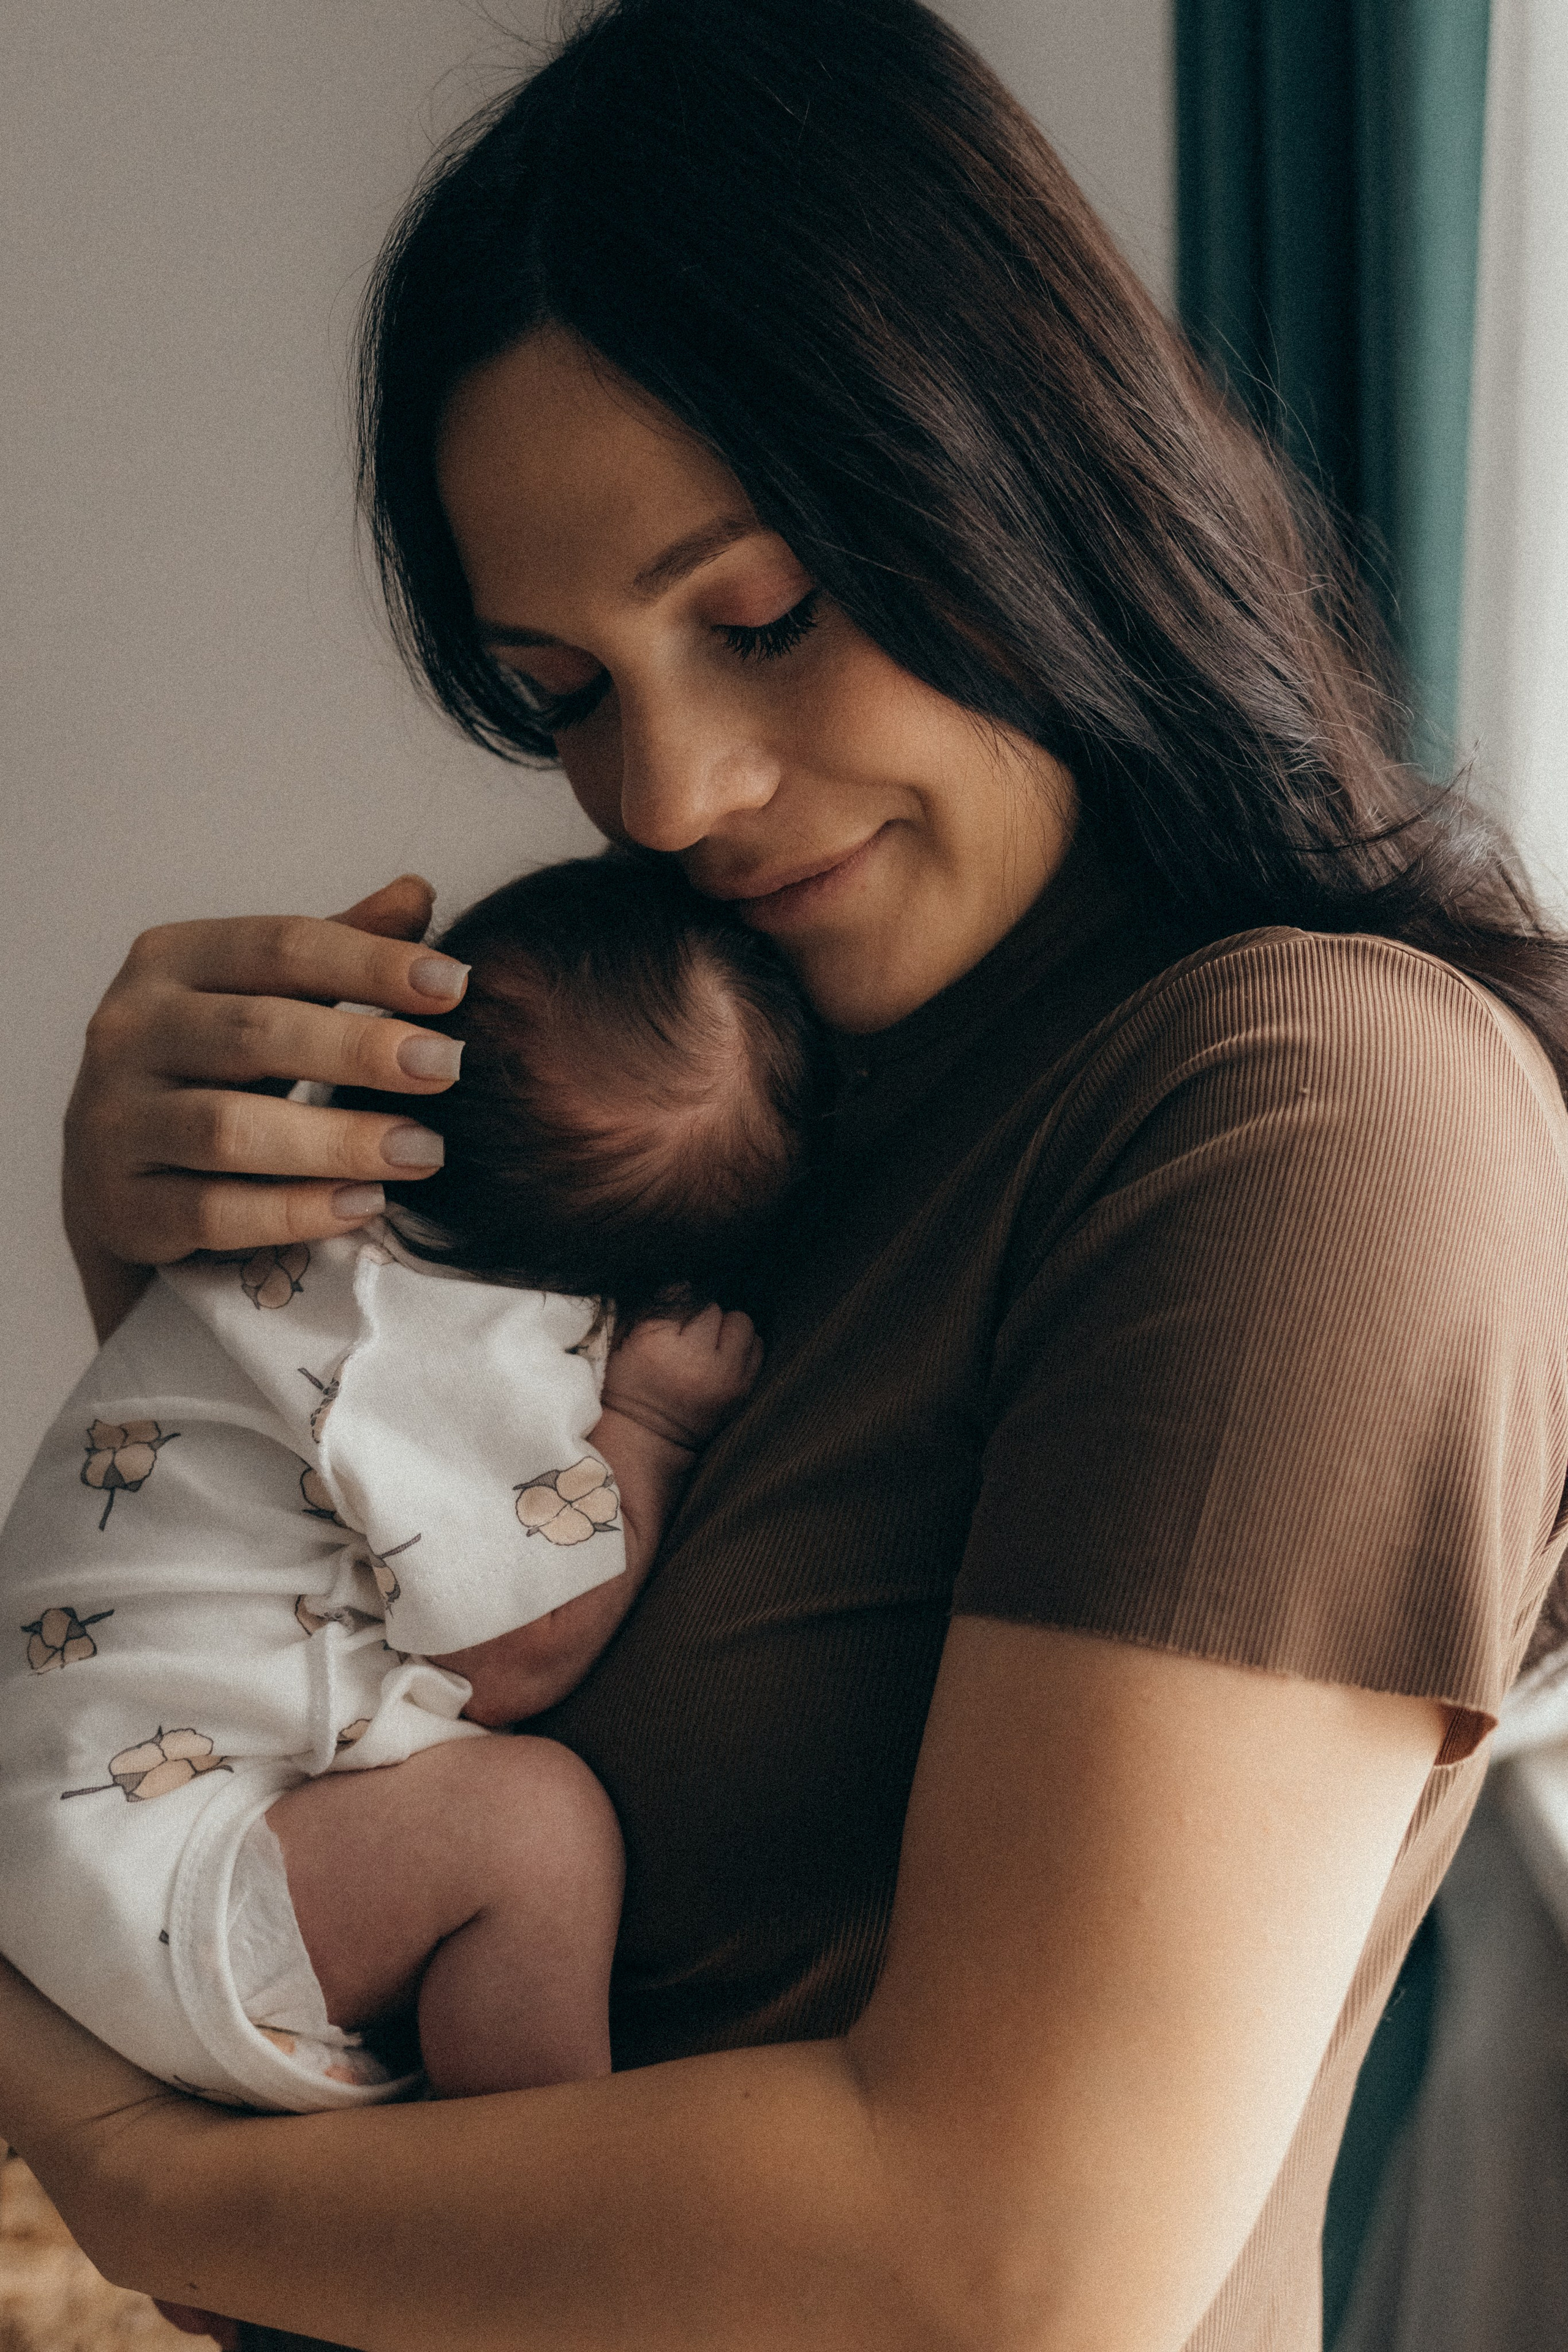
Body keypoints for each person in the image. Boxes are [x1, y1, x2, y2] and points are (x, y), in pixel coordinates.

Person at [3, 1, 1567, 2347]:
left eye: (759, 620)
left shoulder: (1310, 1108)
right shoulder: (739, 1127)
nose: (667, 794)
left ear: (1019, 479)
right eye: (564, 695)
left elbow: (1006, 2258)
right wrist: (167, 1275)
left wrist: (140, 2186)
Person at [0, 852, 808, 2112]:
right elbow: (514, 1658)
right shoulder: (445, 1344)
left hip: (82, 1833)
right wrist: (645, 1425)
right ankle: (529, 2189)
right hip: (152, 1877)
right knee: (533, 1827)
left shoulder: (287, 1229)